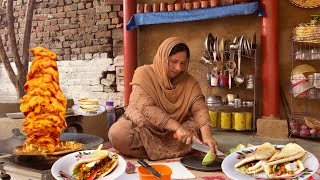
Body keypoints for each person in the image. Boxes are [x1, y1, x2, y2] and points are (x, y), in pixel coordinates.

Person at [108, 37, 218, 160]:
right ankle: (173, 151)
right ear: (162, 58)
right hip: (145, 127)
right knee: (118, 134)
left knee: (198, 133)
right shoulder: (143, 73)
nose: (178, 68)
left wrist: (207, 136)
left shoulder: (189, 81)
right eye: (174, 61)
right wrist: (177, 127)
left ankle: (157, 152)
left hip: (176, 135)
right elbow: (147, 109)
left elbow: (199, 109)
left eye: (183, 63)